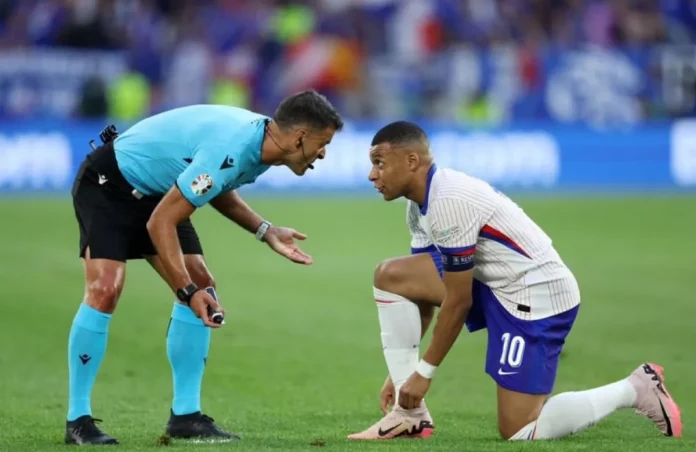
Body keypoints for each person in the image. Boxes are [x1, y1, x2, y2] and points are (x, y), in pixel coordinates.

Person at [348, 121, 682, 441]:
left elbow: (458, 301)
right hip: (497, 284)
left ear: (411, 161)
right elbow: (419, 291)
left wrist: (424, 374)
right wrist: (402, 372)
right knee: (392, 275)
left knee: (519, 430)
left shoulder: (448, 202)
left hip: (535, 298)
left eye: (379, 162)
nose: (372, 174)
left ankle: (635, 388)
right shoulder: (418, 205)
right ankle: (408, 417)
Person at [66, 90, 343, 445]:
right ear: (300, 136)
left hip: (161, 191)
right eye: (323, 143)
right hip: (110, 184)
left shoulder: (262, 147)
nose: (323, 153)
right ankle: (77, 419)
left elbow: (215, 184)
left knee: (202, 282)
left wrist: (265, 230)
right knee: (106, 288)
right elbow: (161, 222)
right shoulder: (233, 144)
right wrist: (185, 291)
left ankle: (186, 416)